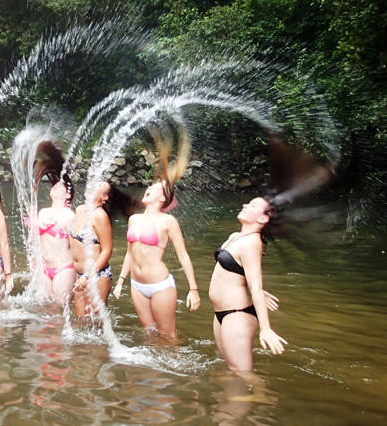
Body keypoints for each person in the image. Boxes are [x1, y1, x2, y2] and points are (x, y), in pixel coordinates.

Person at [113, 128, 200, 338]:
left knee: (168, 334)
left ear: (163, 199)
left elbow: (183, 255)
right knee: (149, 332)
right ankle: (152, 372)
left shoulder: (168, 221)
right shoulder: (135, 219)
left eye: (155, 188)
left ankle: (174, 367)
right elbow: (129, 253)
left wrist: (194, 289)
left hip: (159, 284)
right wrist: (120, 281)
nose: (148, 189)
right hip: (136, 284)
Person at [209, 197, 287, 374]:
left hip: (237, 314)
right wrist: (258, 290)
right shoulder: (235, 237)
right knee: (228, 368)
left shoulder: (252, 242)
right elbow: (240, 270)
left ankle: (265, 400)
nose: (244, 205)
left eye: (252, 206)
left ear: (262, 219)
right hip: (221, 313)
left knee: (243, 374)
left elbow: (256, 288)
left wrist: (265, 329)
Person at [33, 142, 77, 306]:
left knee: (59, 310)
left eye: (61, 187)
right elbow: (37, 242)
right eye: (55, 186)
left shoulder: (69, 216)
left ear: (67, 195)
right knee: (47, 311)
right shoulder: (43, 212)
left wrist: (81, 275)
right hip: (44, 269)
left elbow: (74, 246)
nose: (56, 187)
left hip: (63, 268)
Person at [72, 182, 116, 317]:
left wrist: (87, 276)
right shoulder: (79, 210)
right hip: (79, 275)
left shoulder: (100, 216)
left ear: (105, 197)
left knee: (94, 323)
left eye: (98, 185)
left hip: (97, 275)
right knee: (80, 321)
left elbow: (107, 250)